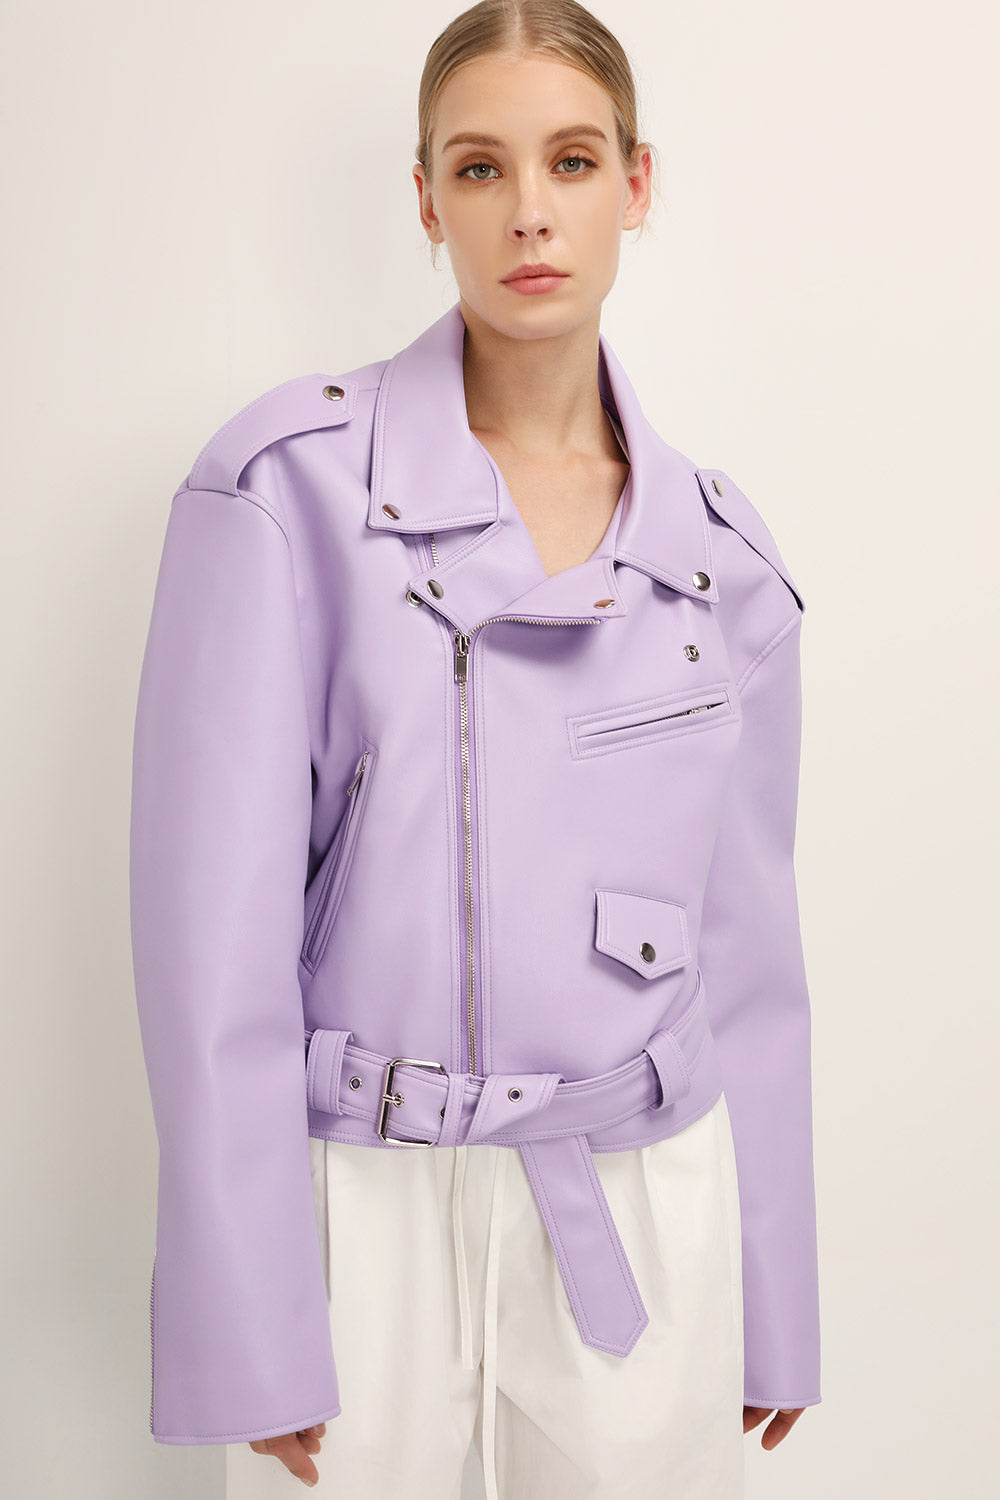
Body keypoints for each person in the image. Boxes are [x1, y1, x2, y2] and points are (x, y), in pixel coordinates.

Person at [129, 3, 822, 1496]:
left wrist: (775, 1297)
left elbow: (751, 955)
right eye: (479, 166)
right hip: (358, 1202)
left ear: (637, 184)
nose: (529, 214)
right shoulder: (284, 494)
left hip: (643, 1202)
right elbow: (210, 946)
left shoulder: (723, 561)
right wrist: (245, 1313)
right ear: (427, 197)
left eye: (571, 161)